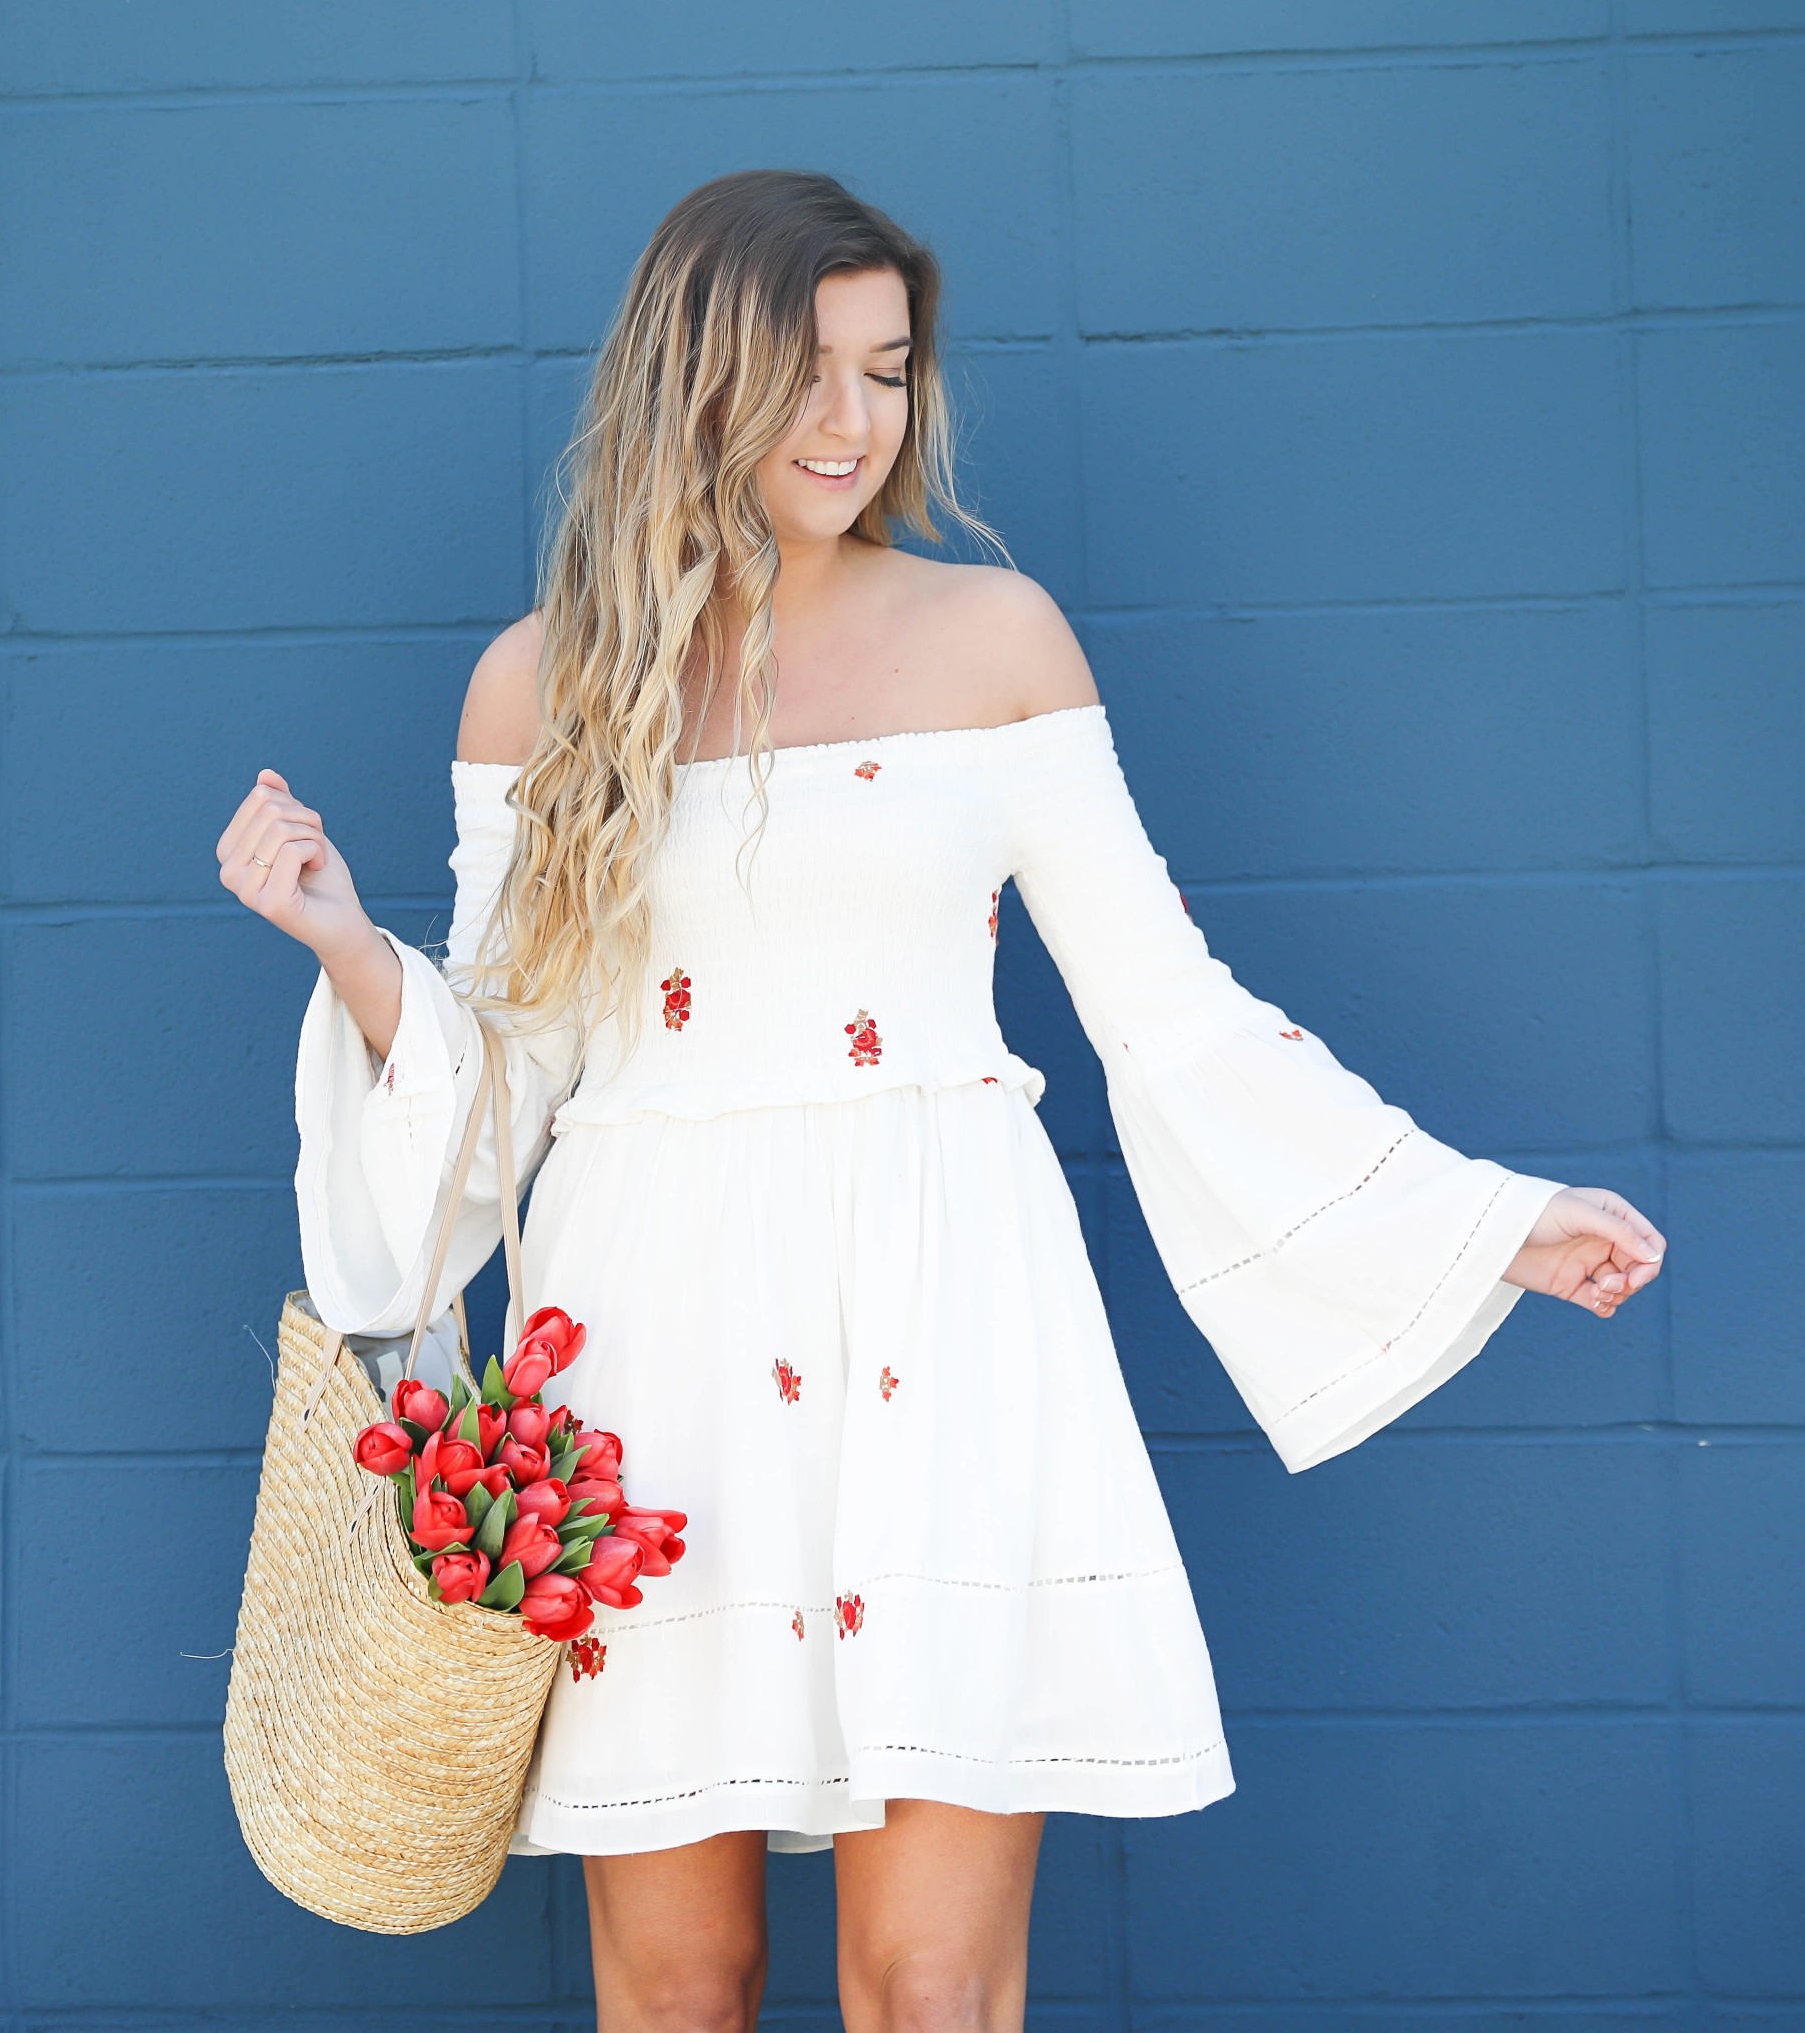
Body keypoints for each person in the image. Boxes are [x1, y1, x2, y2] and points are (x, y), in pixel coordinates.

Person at [216, 169, 1666, 2033]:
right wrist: (350, 950)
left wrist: (1478, 1216)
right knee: (678, 1990)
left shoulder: (999, 641)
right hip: (651, 1351)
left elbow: (1171, 1014)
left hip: (947, 1316)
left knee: (930, 1986)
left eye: (887, 372)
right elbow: (506, 1083)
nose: (852, 421)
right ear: (694, 378)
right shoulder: (546, 683)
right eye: (804, 371)